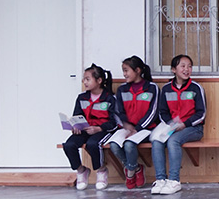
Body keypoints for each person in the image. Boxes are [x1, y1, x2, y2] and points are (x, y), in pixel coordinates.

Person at [150, 54, 207, 196]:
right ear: (173, 69)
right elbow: (162, 112)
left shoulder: (196, 88)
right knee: (157, 141)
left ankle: (174, 181)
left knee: (173, 141)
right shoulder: (167, 89)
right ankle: (160, 180)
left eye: (189, 66)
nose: (187, 69)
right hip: (171, 127)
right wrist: (171, 124)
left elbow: (201, 113)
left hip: (193, 128)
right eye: (183, 66)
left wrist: (185, 124)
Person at [62, 63, 118, 191]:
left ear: (99, 81)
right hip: (85, 130)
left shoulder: (109, 98)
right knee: (69, 145)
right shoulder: (82, 97)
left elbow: (114, 122)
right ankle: (81, 170)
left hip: (102, 130)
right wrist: (75, 126)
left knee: (93, 144)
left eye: (87, 79)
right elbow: (77, 116)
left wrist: (99, 128)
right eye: (84, 79)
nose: (84, 82)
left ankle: (101, 170)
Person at [110, 55, 160, 190]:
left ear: (137, 70)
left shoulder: (152, 88)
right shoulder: (122, 89)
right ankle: (136, 168)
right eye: (123, 71)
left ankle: (130, 173)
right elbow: (119, 112)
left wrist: (137, 129)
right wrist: (126, 125)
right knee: (114, 145)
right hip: (128, 127)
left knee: (129, 145)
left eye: (126, 70)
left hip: (146, 128)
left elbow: (153, 112)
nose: (124, 74)